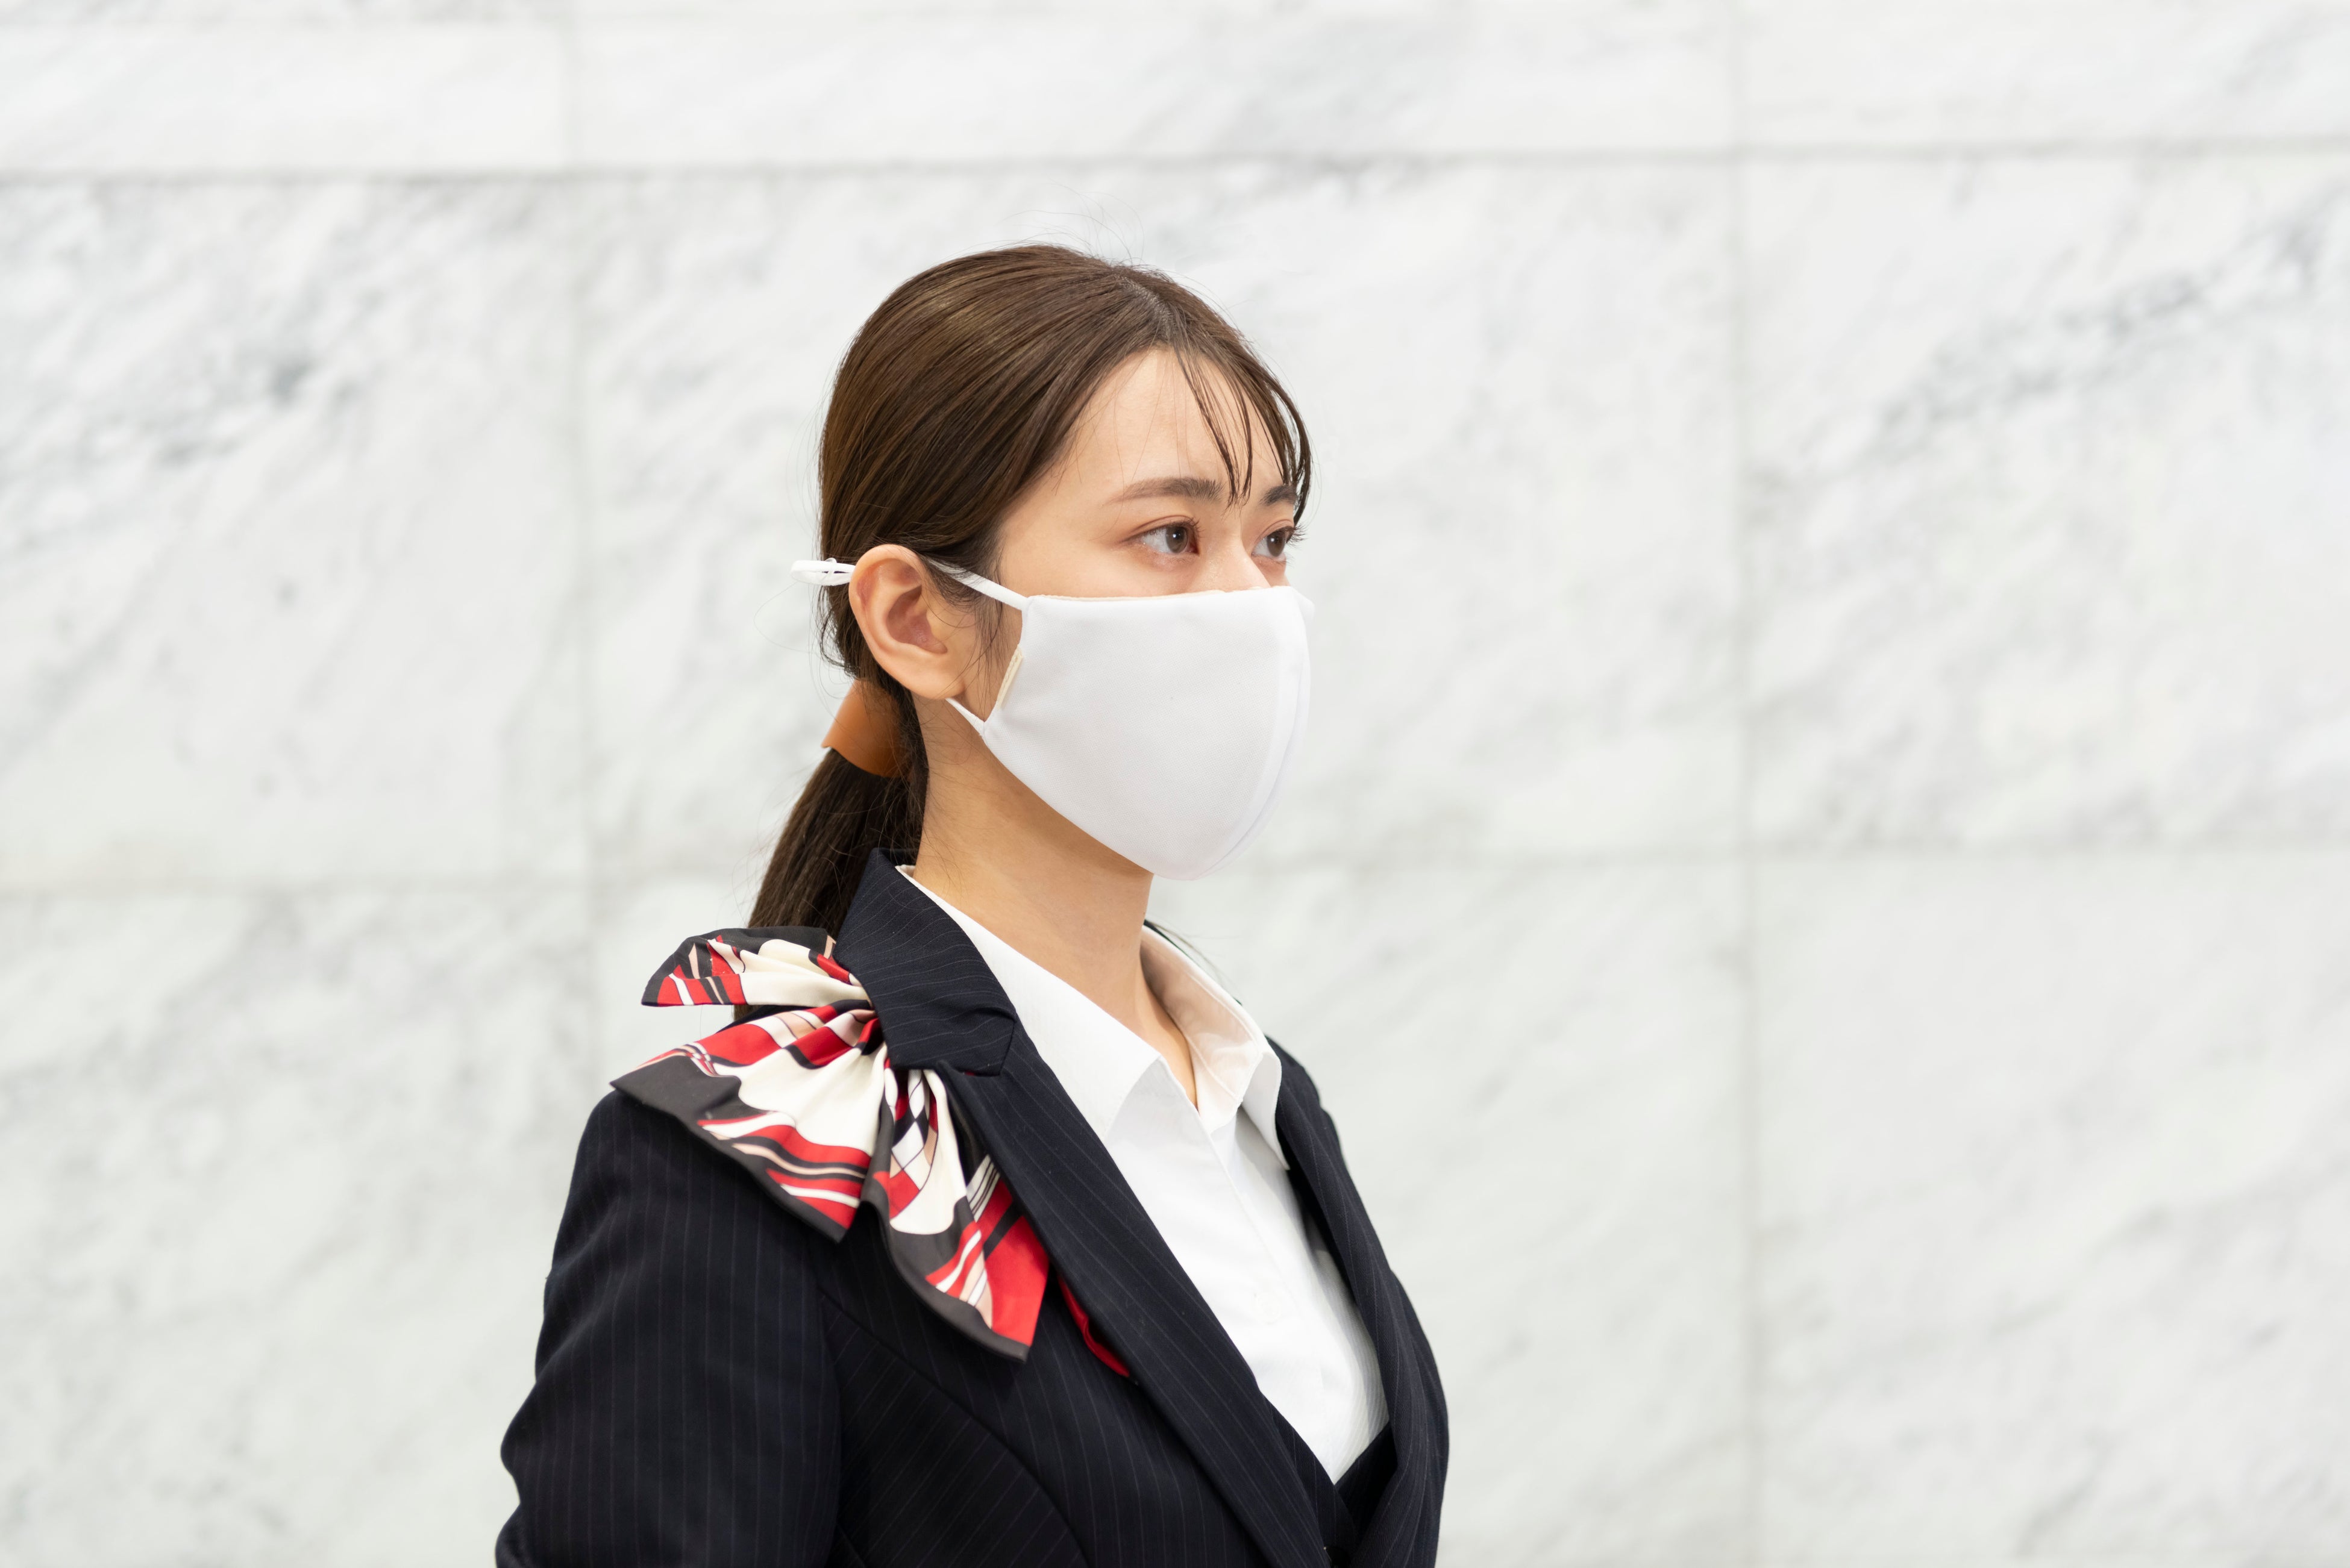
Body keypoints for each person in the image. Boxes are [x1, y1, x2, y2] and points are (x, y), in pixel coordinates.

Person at [497, 245, 1447, 1568]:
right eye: (1169, 537)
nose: (1252, 609)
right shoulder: (761, 1157)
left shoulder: (1260, 1102)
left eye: (1272, 539)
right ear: (917, 620)